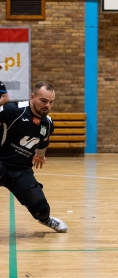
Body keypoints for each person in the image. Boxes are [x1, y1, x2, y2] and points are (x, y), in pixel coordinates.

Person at [0, 81, 68, 233]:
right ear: (32, 97)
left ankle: (46, 220)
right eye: (43, 101)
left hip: (22, 171)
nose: (47, 106)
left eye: (51, 102)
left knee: (42, 210)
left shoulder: (48, 124)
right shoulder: (14, 111)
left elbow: (44, 141)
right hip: (2, 163)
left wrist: (40, 155)